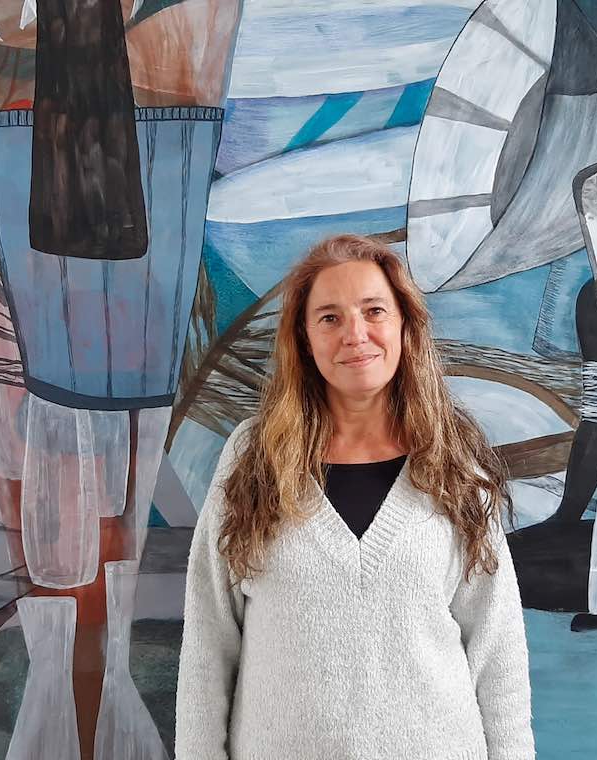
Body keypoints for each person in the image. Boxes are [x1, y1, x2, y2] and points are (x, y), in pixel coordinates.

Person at [174, 233, 535, 759]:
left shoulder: (453, 459)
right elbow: (208, 646)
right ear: (304, 339)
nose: (355, 334)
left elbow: (498, 654)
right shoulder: (253, 459)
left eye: (374, 311)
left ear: (405, 324)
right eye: (330, 317)